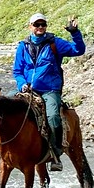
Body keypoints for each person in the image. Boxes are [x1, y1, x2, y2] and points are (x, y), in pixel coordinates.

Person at [11, 12, 85, 171]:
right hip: (27, 89)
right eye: (36, 24)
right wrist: (22, 84)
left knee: (52, 117)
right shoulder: (23, 46)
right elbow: (17, 71)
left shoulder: (55, 43)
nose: (40, 27)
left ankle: (55, 153)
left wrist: (75, 33)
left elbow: (79, 50)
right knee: (4, 108)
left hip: (49, 89)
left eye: (42, 24)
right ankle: (2, 148)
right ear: (30, 26)